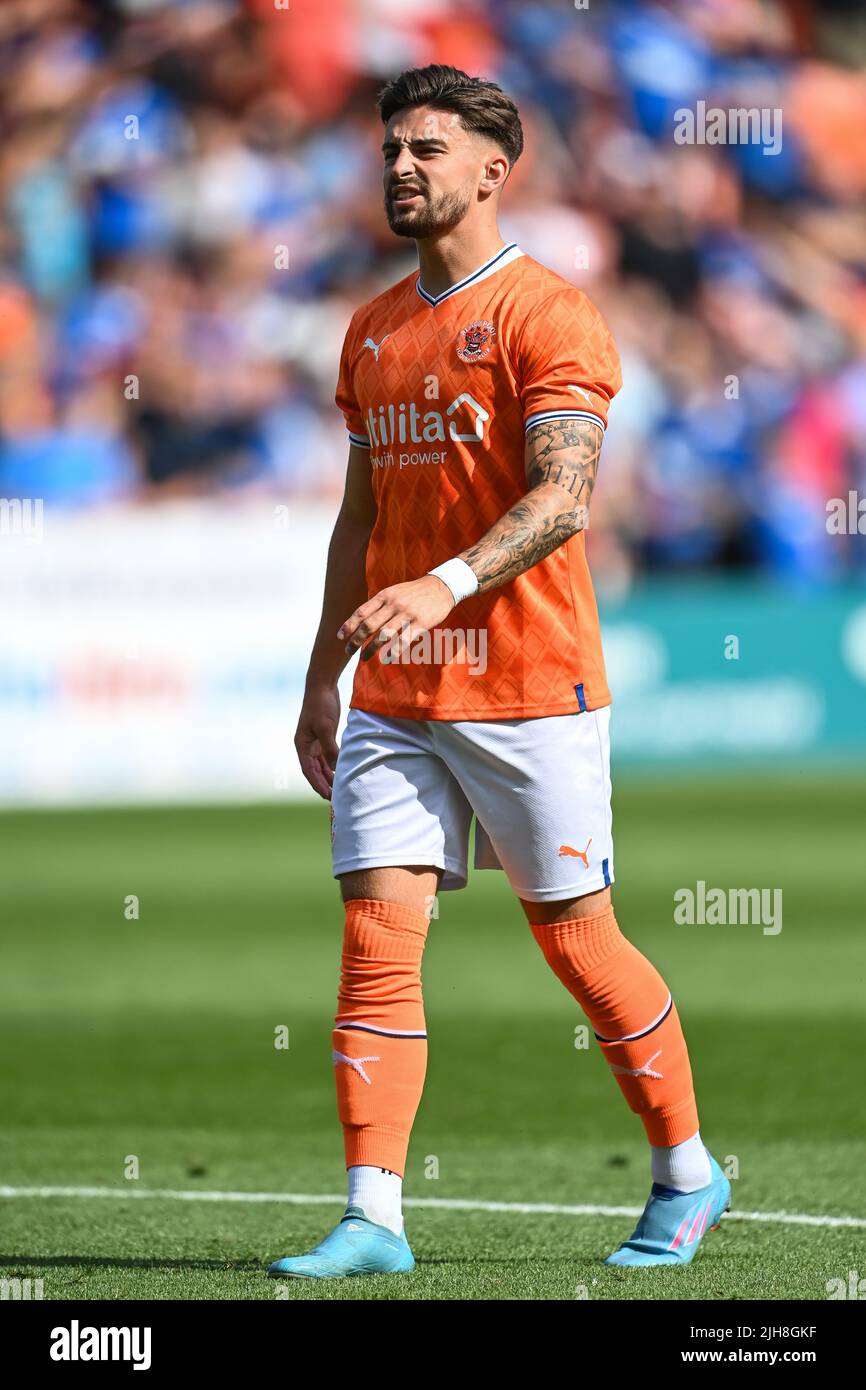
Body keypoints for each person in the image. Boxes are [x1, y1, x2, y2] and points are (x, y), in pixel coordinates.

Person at [269, 64, 730, 1279]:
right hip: (396, 690)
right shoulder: (369, 329)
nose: (400, 167)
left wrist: (447, 586)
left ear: (492, 169)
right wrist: (323, 678)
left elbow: (565, 495)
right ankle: (374, 1214)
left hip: (526, 675)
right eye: (388, 150)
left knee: (575, 938)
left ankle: (687, 1168)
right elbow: (356, 518)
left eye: (426, 148)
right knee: (377, 929)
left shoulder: (548, 314)